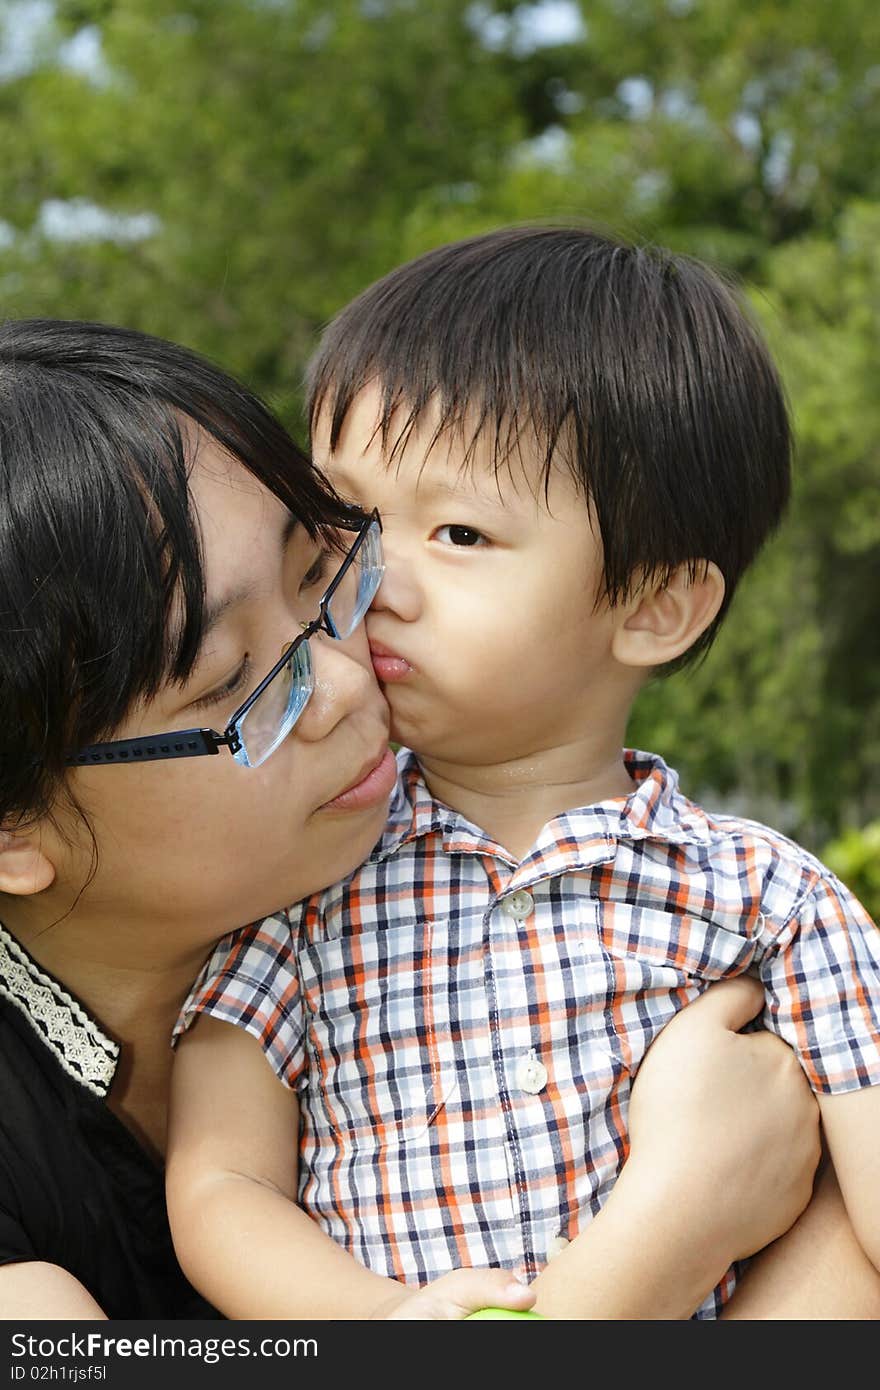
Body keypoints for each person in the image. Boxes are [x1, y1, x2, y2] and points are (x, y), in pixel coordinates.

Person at [0, 314, 827, 1322]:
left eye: (323, 576)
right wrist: (665, 1234)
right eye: (231, 684)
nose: (349, 681)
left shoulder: (644, 911)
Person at [167, 227, 880, 1320]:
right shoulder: (305, 877)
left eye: (458, 532)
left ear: (653, 605)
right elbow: (221, 1182)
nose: (376, 577)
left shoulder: (767, 902)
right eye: (347, 517)